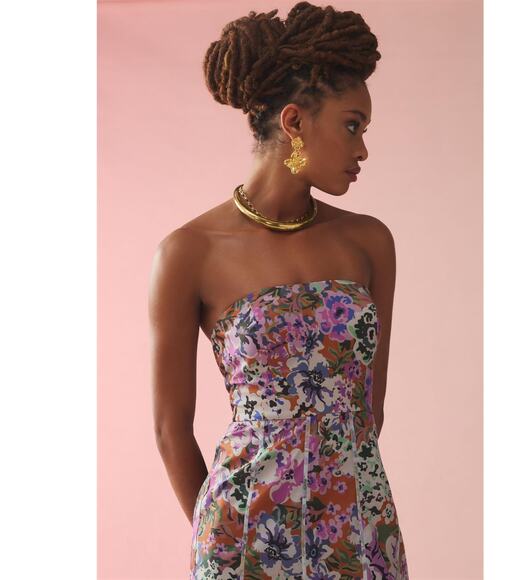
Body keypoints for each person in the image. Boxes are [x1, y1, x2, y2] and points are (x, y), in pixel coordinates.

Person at [148, 2, 409, 578]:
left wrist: (346, 512)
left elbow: (370, 410)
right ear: (294, 122)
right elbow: (170, 429)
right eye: (352, 125)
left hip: (359, 527)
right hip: (242, 531)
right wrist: (217, 537)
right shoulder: (189, 252)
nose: (362, 149)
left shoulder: (369, 242)